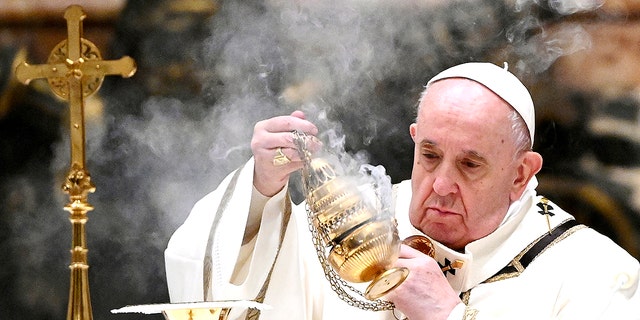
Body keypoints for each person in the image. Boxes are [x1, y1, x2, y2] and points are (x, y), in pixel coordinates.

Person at [165, 62, 640, 320]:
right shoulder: (352, 224)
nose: (440, 185)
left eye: (470, 165)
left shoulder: (594, 275)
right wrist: (261, 191)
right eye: (430, 155)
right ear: (414, 139)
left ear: (521, 174)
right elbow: (224, 296)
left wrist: (448, 316)